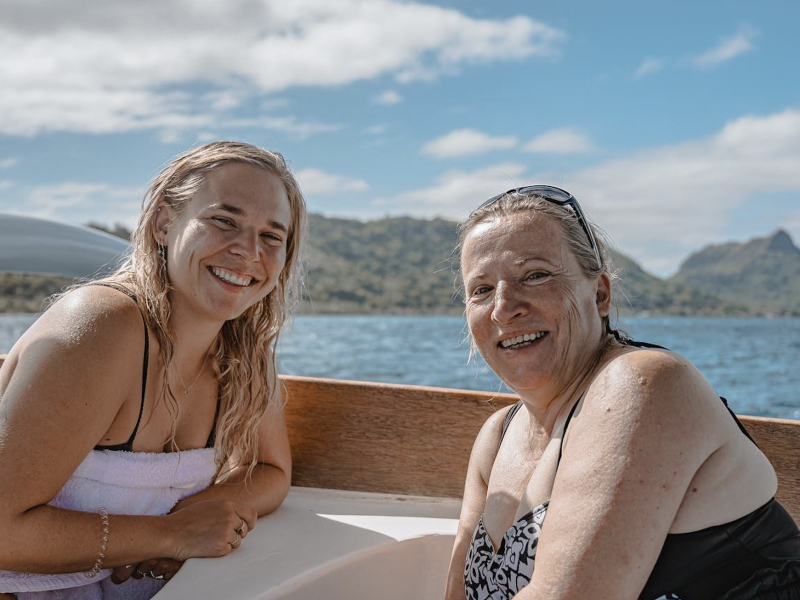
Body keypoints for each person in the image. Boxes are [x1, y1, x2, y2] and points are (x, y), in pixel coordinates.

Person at [444, 185, 800, 600]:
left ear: (600, 294)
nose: (504, 308)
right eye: (482, 290)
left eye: (535, 275)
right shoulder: (496, 436)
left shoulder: (643, 384)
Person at [0, 141, 306, 599]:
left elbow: (271, 471)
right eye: (225, 221)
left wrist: (206, 507)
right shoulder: (102, 327)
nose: (248, 251)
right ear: (165, 224)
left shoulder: (244, 348)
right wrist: (170, 534)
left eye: (271, 237)